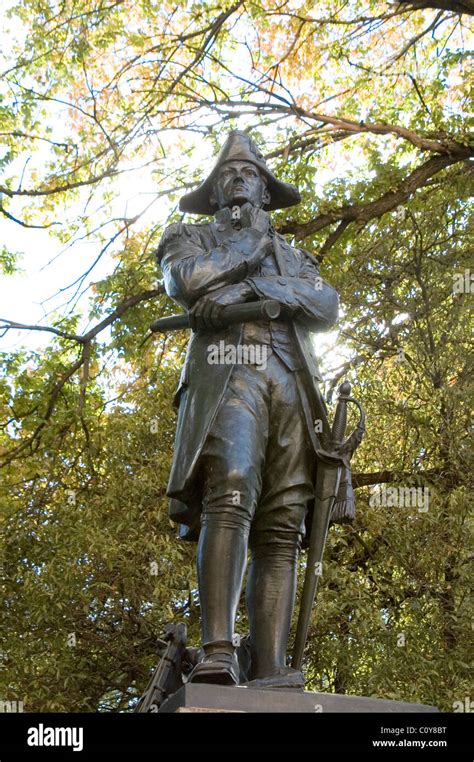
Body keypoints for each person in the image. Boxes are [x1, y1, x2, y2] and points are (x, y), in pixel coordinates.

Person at [156, 131, 343, 689]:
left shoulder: (296, 254)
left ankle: (270, 669)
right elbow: (186, 282)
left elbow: (325, 304)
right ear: (213, 194)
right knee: (232, 485)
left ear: (265, 190)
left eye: (251, 175)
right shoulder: (188, 237)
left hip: (292, 382)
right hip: (229, 372)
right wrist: (248, 252)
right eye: (228, 177)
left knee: (283, 522)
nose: (240, 182)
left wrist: (262, 291)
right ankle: (218, 650)